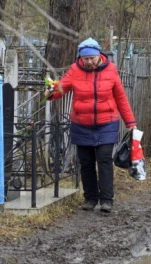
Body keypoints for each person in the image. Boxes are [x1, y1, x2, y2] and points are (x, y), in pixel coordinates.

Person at [45, 38, 137, 213]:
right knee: (86, 162)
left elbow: (121, 98)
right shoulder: (75, 70)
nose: (88, 62)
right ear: (81, 58)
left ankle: (106, 200)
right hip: (81, 123)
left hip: (107, 122)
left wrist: (130, 122)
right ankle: (90, 198)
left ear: (99, 56)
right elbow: (61, 88)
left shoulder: (111, 70)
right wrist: (50, 92)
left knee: (104, 159)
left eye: (92, 58)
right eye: (85, 59)